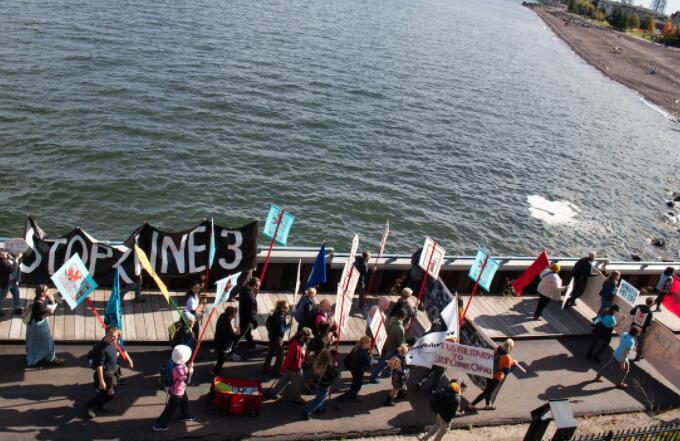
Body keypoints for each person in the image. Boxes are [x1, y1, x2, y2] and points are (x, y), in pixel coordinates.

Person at [85, 326, 133, 418]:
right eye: (112, 336)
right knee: (108, 395)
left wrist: (129, 360)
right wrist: (102, 381)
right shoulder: (101, 348)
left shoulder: (114, 342)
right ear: (107, 334)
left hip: (111, 373)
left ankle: (99, 406)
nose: (114, 338)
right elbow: (99, 366)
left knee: (107, 394)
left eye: (116, 337)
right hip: (105, 375)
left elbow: (122, 350)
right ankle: (88, 406)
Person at [153, 345, 196, 431]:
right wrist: (190, 371)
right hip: (178, 391)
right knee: (170, 409)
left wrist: (188, 367)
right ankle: (160, 424)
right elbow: (188, 381)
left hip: (179, 389)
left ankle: (185, 415)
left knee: (184, 402)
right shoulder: (180, 370)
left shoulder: (173, 363)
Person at [469, 339, 518, 411]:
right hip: (496, 377)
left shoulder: (496, 348)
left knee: (488, 390)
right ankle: (471, 405)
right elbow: (506, 371)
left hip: (489, 373)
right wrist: (514, 365)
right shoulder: (507, 358)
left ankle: (488, 405)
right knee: (487, 392)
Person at [268, 327, 313, 404]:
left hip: (293, 368)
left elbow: (304, 352)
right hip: (295, 369)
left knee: (283, 381)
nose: (309, 339)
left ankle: (274, 393)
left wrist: (306, 359)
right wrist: (282, 369)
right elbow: (288, 359)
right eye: (308, 337)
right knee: (297, 385)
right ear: (303, 336)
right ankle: (296, 398)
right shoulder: (295, 346)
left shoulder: (302, 343)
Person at [26, 285, 64, 367]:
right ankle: (49, 359)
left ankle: (50, 358)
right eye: (46, 290)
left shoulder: (42, 300)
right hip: (38, 326)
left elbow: (51, 306)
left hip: (40, 324)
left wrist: (52, 301)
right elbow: (39, 317)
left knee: (43, 342)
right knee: (47, 342)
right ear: (42, 293)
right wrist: (47, 314)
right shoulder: (38, 304)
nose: (48, 291)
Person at [369, 309, 406, 383]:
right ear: (403, 317)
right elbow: (400, 342)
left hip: (386, 342)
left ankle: (389, 372)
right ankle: (373, 376)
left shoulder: (392, 319)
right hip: (392, 347)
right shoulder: (400, 329)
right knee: (384, 363)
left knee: (386, 360)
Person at [302, 349, 339, 420]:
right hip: (324, 387)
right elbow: (337, 377)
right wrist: (336, 367)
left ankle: (320, 409)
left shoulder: (317, 364)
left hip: (317, 385)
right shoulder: (330, 369)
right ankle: (306, 412)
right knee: (319, 400)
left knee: (319, 397)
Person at [337, 336, 373, 404]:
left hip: (354, 369)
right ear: (365, 343)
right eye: (370, 342)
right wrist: (370, 355)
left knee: (355, 384)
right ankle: (341, 399)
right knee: (356, 387)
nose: (371, 344)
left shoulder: (357, 347)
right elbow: (369, 364)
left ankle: (353, 396)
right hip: (358, 371)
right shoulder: (363, 353)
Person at [210, 306, 240, 376]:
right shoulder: (227, 327)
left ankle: (217, 365)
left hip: (218, 341)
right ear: (230, 315)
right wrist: (237, 331)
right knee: (221, 359)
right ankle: (215, 372)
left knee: (220, 356)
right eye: (234, 314)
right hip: (224, 346)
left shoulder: (222, 316)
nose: (235, 315)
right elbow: (232, 337)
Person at [263, 301, 288, 376]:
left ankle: (265, 367)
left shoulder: (273, 313)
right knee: (281, 355)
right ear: (283, 308)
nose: (288, 308)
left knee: (270, 352)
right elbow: (281, 331)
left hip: (271, 336)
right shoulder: (280, 316)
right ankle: (276, 372)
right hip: (277, 338)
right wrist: (288, 326)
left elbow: (267, 324)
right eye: (287, 307)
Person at [238, 277, 260, 349]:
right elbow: (250, 312)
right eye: (258, 285)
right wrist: (254, 321)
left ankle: (251, 346)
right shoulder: (250, 297)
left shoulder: (244, 290)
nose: (258, 287)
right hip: (247, 319)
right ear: (255, 285)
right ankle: (229, 350)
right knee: (240, 335)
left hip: (243, 316)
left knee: (248, 333)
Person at [0, 251, 22, 316]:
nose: (5, 253)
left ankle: (17, 308)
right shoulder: (3, 263)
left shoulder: (9, 257)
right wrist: (17, 259)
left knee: (16, 293)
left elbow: (18, 269)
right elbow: (13, 269)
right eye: (2, 252)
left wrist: (17, 279)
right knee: (2, 297)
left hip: (13, 281)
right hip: (5, 283)